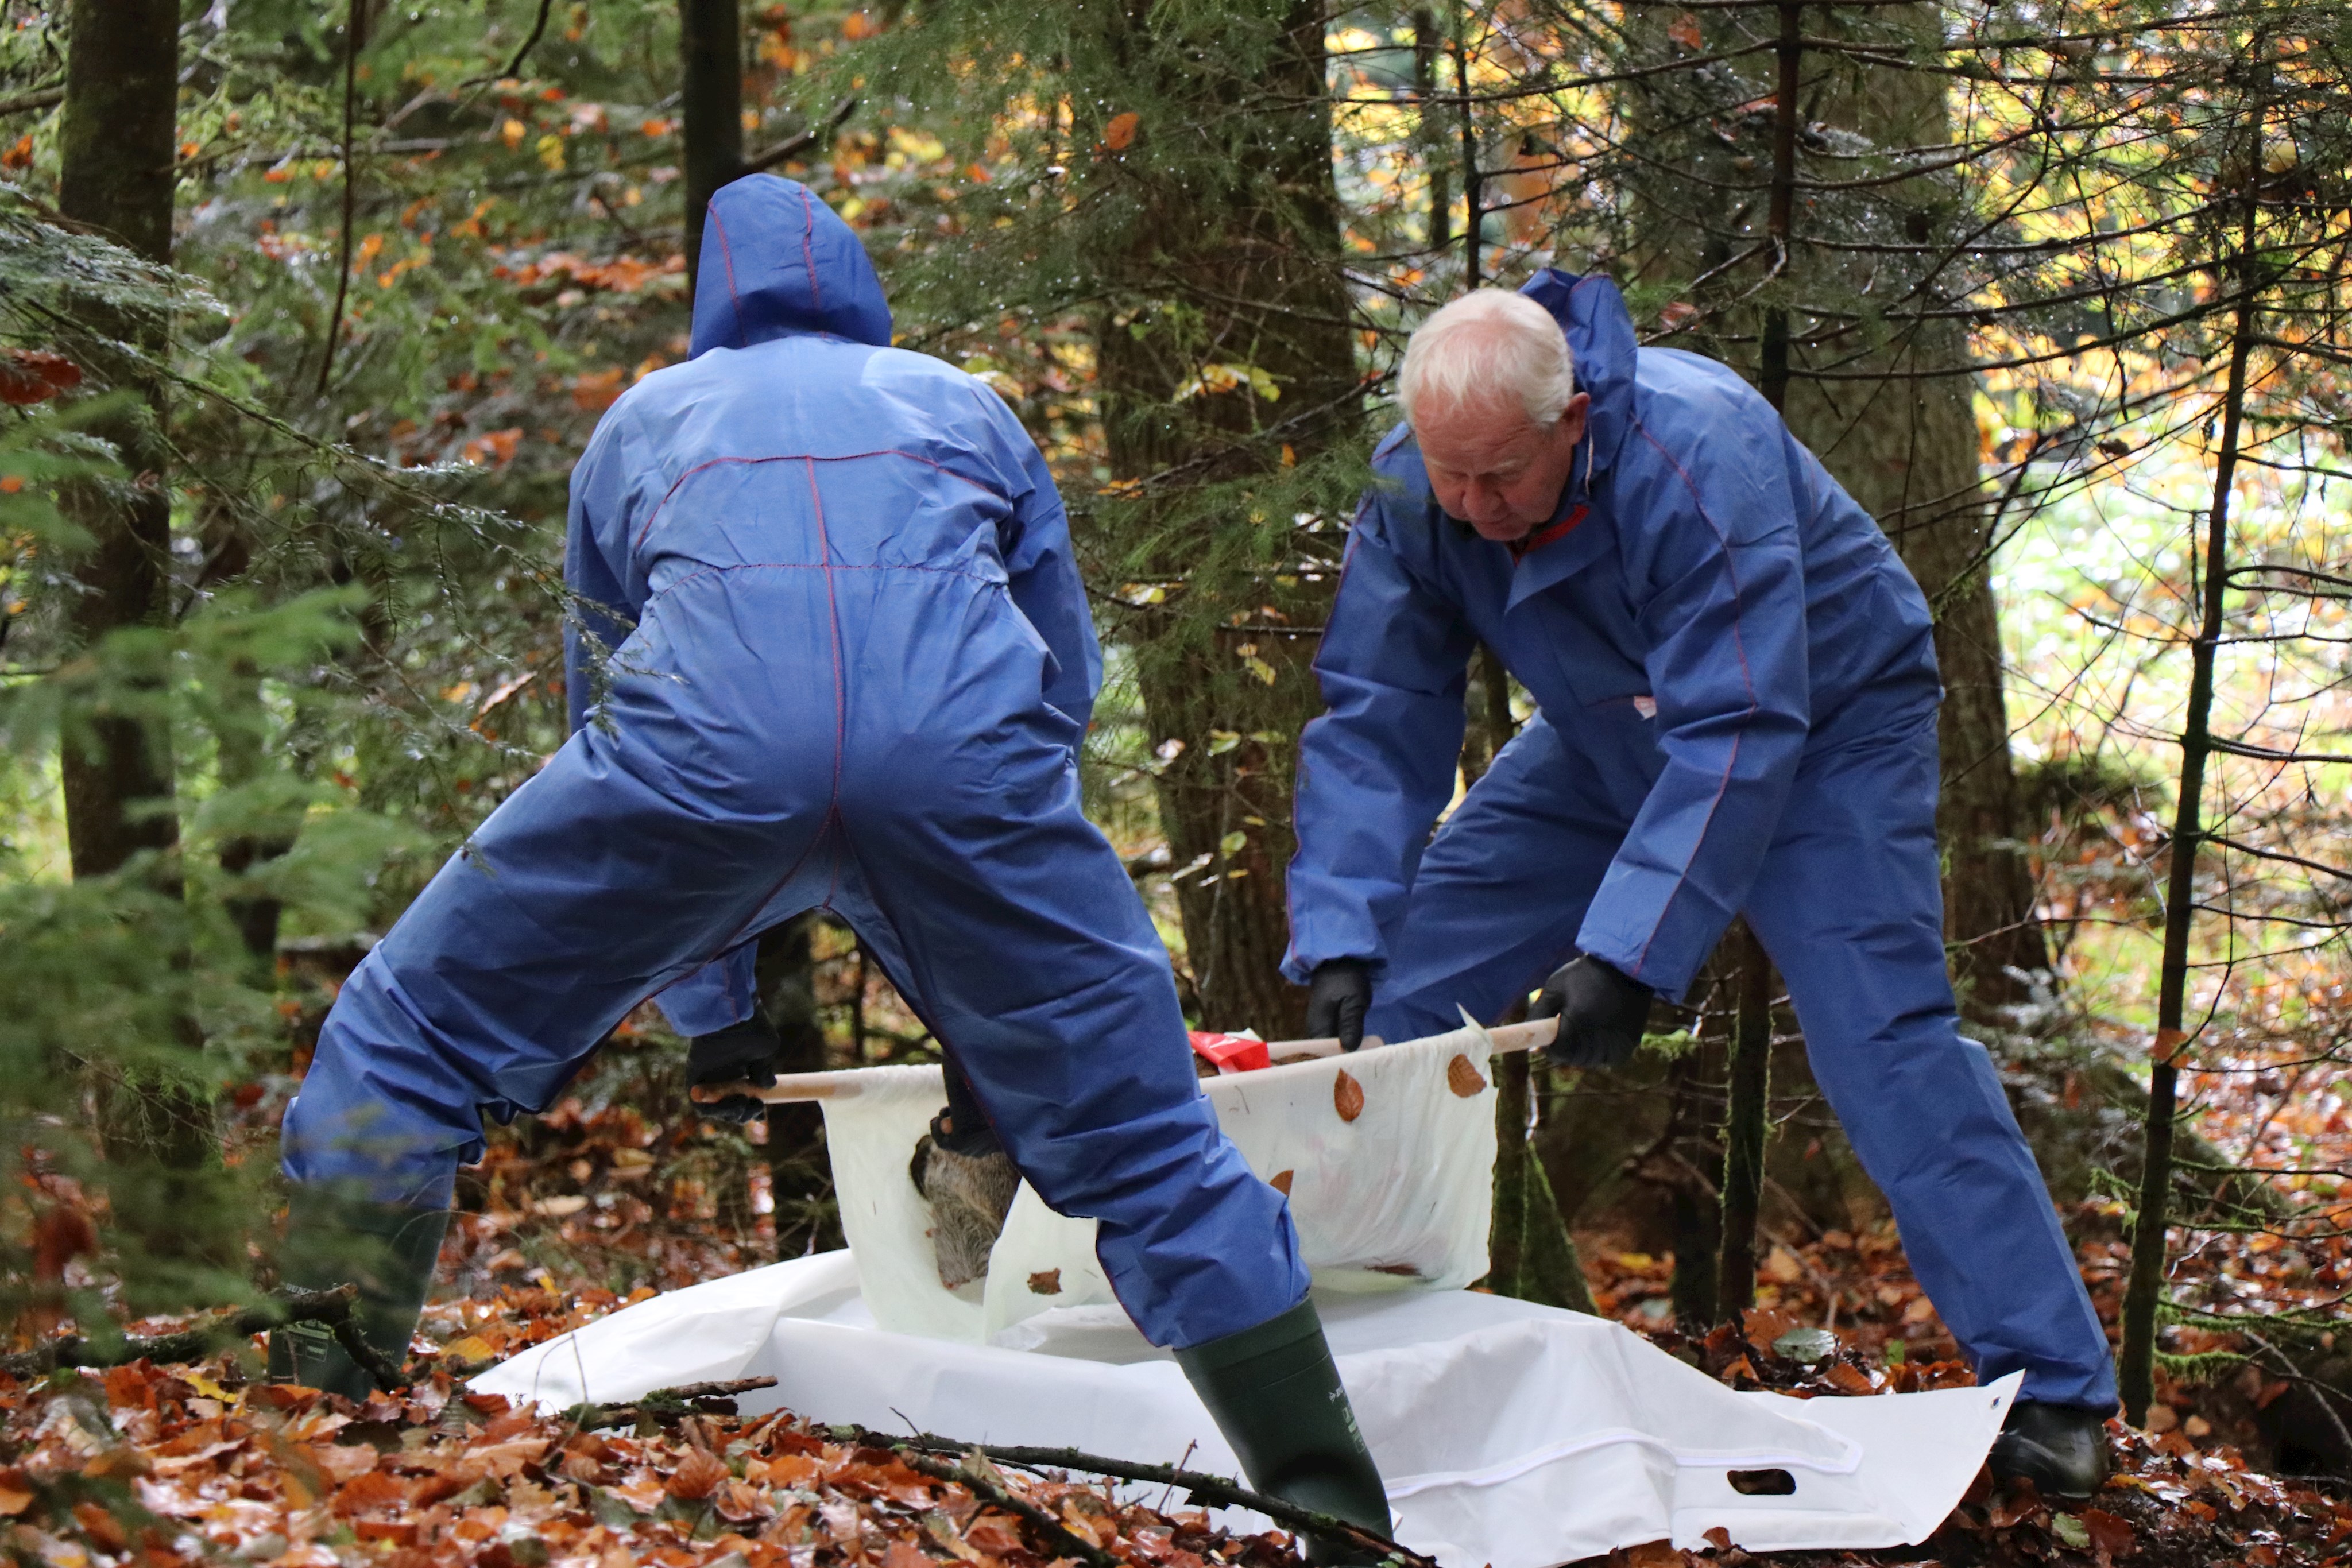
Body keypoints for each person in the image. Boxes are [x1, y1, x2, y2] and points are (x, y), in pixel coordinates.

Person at [274, 173, 1390, 1552]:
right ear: (859, 287)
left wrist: (713, 1008)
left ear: (710, 300)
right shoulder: (962, 403)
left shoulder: (641, 422)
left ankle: (308, 1464)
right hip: (963, 776)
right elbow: (1058, 682)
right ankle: (1344, 1527)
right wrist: (996, 923)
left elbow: (606, 695)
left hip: (700, 772)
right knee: (1152, 1141)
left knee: (405, 1035)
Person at [1286, 277, 2117, 1496]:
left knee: (1883, 1042)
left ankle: (2050, 1388)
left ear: (1570, 416)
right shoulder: (1425, 482)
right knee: (1394, 985)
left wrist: (1627, 952)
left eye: (1498, 478)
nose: (1470, 506)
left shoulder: (1692, 445)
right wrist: (1342, 928)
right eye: (1447, 475)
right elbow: (1377, 707)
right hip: (1601, 730)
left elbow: (1737, 721)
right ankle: (1319, 1342)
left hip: (1820, 728)